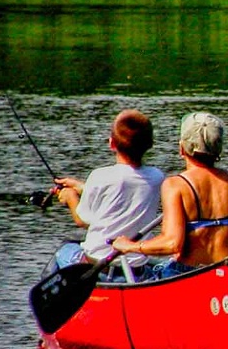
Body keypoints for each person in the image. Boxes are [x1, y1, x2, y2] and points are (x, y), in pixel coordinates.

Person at [112, 112, 228, 279]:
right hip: (226, 273)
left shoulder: (176, 185)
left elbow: (172, 244)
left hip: (186, 275)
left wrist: (130, 246)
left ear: (182, 148)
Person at [52, 109, 164, 282]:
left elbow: (82, 220)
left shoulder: (100, 176)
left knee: (65, 250)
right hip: (136, 271)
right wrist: (81, 187)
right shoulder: (157, 177)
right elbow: (126, 189)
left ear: (111, 143)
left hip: (97, 269)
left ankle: (65, 303)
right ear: (150, 144)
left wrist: (70, 197)